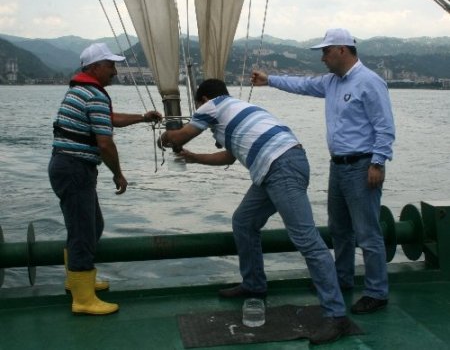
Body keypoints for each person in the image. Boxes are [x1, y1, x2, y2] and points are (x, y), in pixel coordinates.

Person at [159, 78, 350, 345]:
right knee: (244, 222)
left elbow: (179, 136)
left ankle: (336, 316)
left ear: (202, 100)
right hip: (277, 165)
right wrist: (193, 157)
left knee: (307, 241)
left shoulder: (211, 106)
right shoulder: (238, 108)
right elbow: (229, 156)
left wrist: (165, 135)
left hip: (280, 167)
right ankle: (254, 284)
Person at [251, 28, 395, 315]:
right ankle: (342, 280)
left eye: (325, 51)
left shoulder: (370, 82)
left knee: (367, 233)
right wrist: (270, 81)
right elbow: (302, 85)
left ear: (342, 50)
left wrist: (378, 163)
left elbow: (385, 126)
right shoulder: (332, 82)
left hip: (363, 166)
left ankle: (377, 292)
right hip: (338, 166)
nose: (322, 58)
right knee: (340, 229)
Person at [48, 43, 162, 315]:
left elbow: (110, 119)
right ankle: (83, 299)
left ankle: (77, 281)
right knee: (84, 231)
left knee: (90, 225)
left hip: (68, 166)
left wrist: (143, 118)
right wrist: (118, 174)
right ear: (94, 67)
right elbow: (105, 143)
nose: (115, 71)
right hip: (75, 169)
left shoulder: (82, 91)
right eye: (110, 65)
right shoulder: (94, 95)